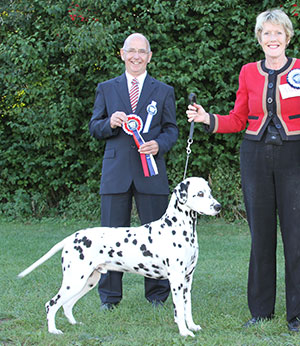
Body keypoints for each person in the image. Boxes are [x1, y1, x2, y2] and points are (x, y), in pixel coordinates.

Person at [186, 9, 300, 332]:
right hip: (254, 157)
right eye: (266, 33)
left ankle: (298, 314)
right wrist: (208, 118)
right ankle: (261, 311)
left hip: (295, 156)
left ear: (287, 37)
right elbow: (237, 119)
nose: (272, 39)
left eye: (278, 33)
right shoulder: (248, 72)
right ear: (260, 39)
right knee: (261, 236)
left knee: (297, 237)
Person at [89, 33, 178, 310]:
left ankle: (157, 296)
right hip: (116, 173)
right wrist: (110, 124)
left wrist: (158, 145)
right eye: (132, 51)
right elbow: (94, 127)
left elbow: (171, 129)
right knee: (111, 239)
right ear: (122, 54)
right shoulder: (106, 88)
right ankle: (110, 298)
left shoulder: (163, 90)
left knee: (158, 238)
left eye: (142, 51)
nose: (136, 56)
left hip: (151, 172)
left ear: (149, 56)